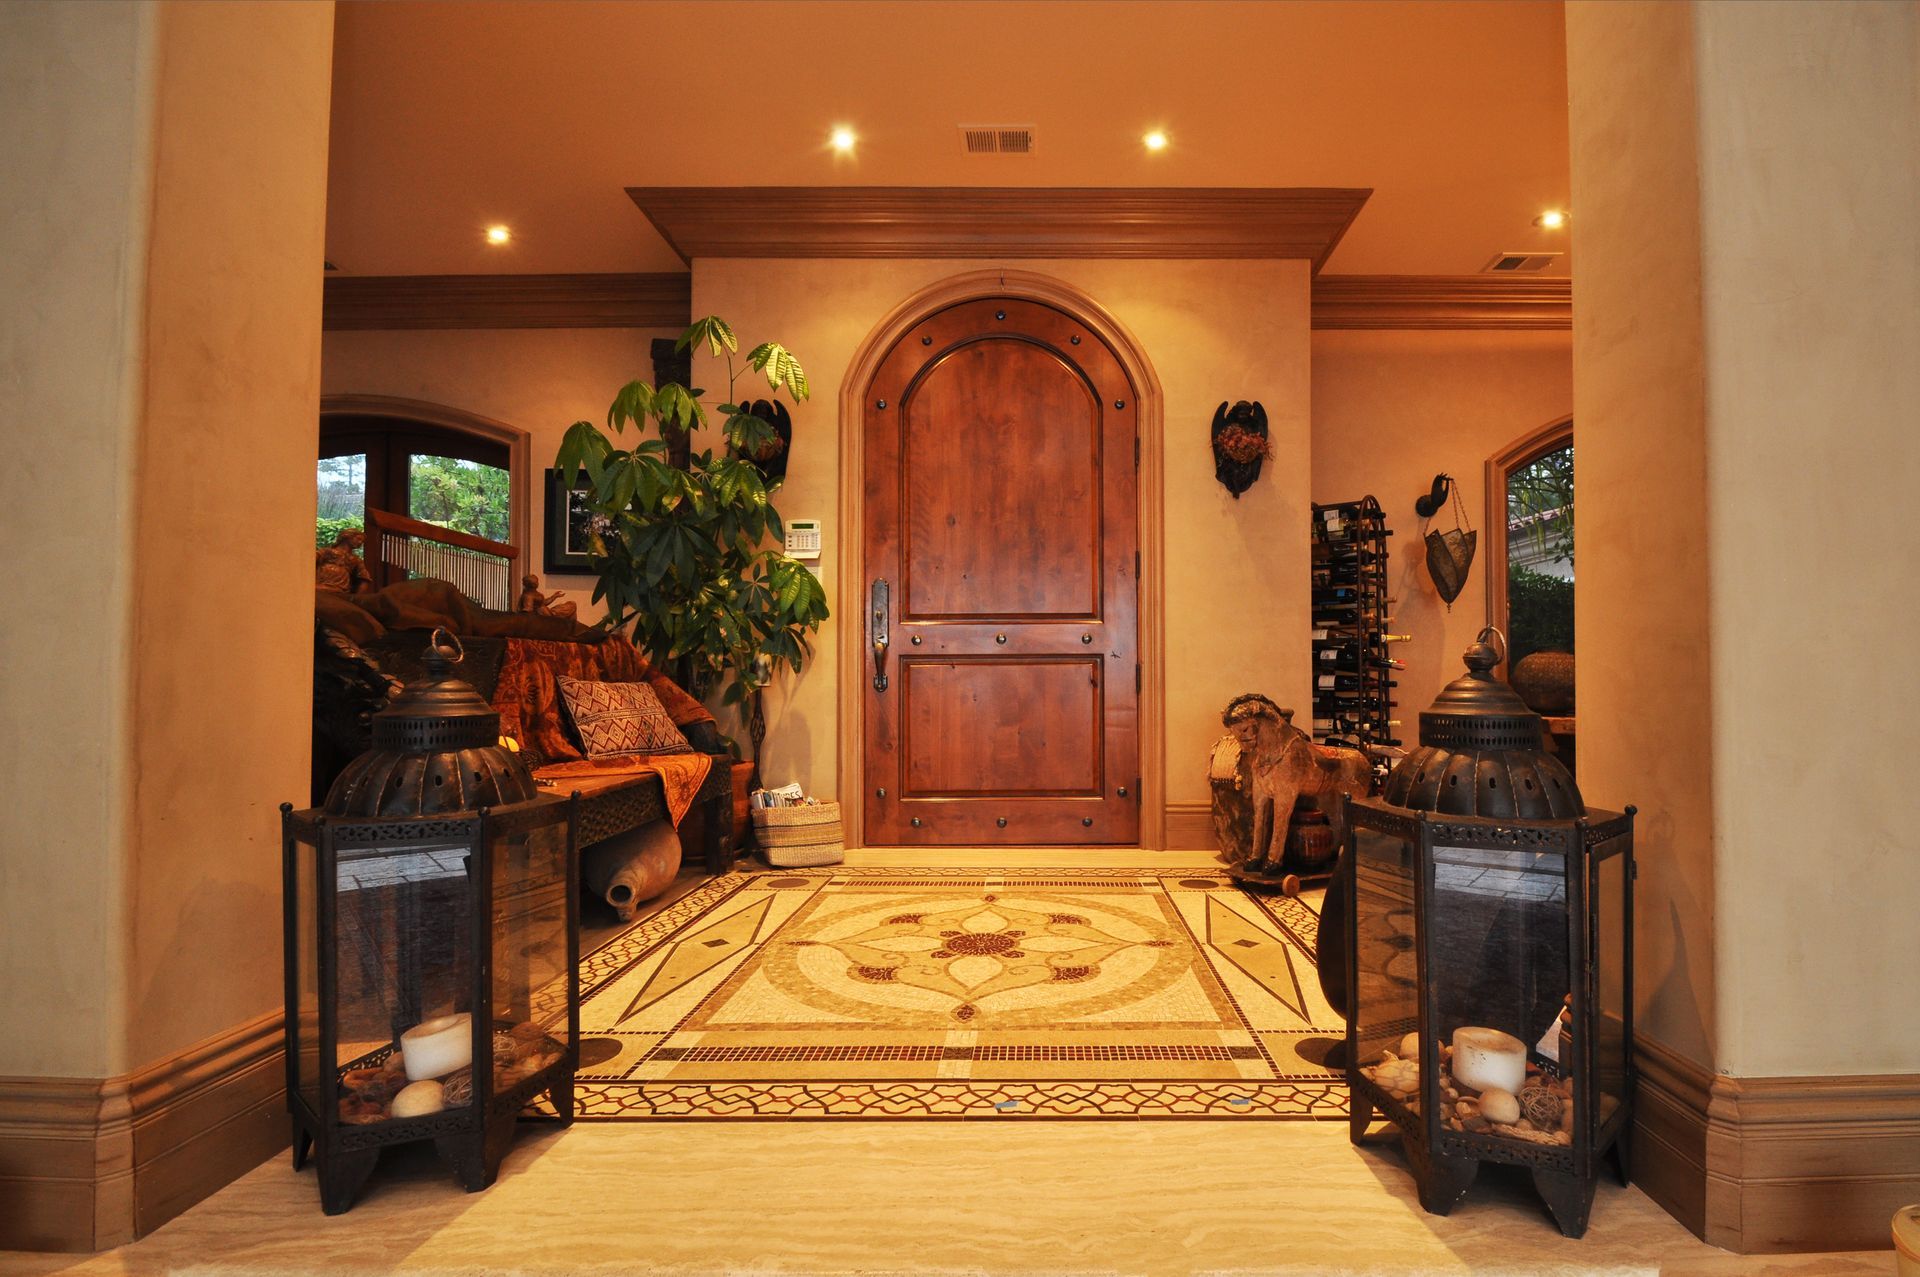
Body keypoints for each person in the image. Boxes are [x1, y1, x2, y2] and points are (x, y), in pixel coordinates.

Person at [315, 527, 375, 595]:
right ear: (347, 536)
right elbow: (311, 560)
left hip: (341, 589)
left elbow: (364, 578)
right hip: (321, 585)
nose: (360, 543)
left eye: (362, 542)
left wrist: (356, 598)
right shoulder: (327, 551)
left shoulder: (356, 560)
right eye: (358, 539)